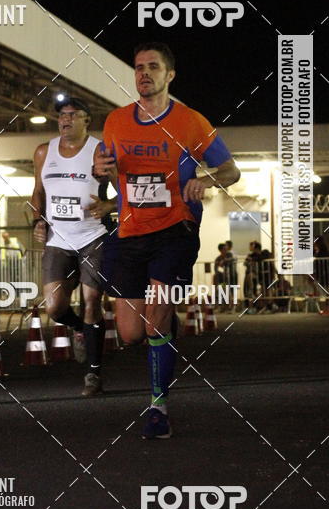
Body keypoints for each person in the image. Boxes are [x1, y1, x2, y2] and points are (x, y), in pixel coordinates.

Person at [94, 42, 240, 439]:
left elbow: (231, 171)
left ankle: (158, 407)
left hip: (176, 229)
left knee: (155, 316)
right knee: (130, 334)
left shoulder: (191, 122)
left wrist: (203, 180)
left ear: (169, 75)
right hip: (129, 232)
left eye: (153, 67)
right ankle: (165, 322)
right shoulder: (115, 121)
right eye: (139, 67)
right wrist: (101, 170)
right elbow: (111, 175)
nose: (144, 73)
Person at [30, 97, 116, 396]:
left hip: (93, 236)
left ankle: (93, 374)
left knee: (92, 301)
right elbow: (37, 192)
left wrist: (108, 205)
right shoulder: (44, 152)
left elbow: (125, 190)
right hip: (58, 239)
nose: (65, 120)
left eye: (72, 115)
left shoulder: (100, 151)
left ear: (86, 120)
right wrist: (37, 222)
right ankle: (80, 329)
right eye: (61, 116)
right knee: (54, 308)